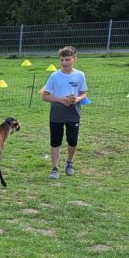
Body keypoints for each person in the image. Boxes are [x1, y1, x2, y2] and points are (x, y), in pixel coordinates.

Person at [41, 45, 88, 180]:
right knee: (55, 141)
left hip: (73, 113)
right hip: (56, 114)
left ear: (74, 59)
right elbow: (45, 96)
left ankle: (69, 163)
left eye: (67, 60)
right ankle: (55, 168)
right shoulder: (54, 76)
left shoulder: (80, 75)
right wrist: (60, 100)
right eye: (62, 60)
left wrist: (77, 99)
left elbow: (83, 94)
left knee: (72, 140)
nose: (64, 63)